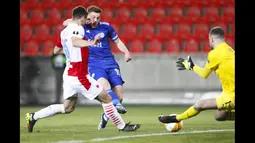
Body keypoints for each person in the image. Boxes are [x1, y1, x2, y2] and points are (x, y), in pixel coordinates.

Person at [25, 5, 140, 133]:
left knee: (67, 108)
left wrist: (72, 52)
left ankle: (33, 116)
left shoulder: (64, 32)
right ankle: (122, 126)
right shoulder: (78, 28)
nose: (88, 21)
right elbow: (75, 41)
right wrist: (91, 43)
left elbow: (56, 50)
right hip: (79, 75)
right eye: (87, 18)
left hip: (69, 74)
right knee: (106, 98)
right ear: (82, 18)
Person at [63, 5, 132, 130]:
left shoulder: (106, 27)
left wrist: (126, 52)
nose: (95, 20)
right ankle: (119, 118)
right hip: (94, 64)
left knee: (119, 97)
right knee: (106, 89)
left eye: (98, 18)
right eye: (93, 17)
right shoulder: (81, 26)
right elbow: (67, 23)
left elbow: (118, 42)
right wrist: (72, 22)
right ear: (87, 17)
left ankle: (105, 116)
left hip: (111, 63)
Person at [158, 26, 235, 123]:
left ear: (211, 39)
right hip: (228, 93)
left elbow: (204, 74)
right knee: (220, 115)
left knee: (200, 105)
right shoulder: (231, 51)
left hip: (232, 96)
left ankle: (175, 118)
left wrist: (192, 66)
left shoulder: (215, 53)